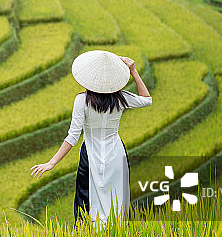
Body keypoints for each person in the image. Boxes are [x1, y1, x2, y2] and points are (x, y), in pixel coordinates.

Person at [30, 50, 152, 227]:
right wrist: (133, 71)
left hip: (91, 154)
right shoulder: (121, 98)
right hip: (116, 154)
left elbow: (73, 136)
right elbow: (147, 99)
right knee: (116, 198)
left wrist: (52, 162)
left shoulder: (82, 100)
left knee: (86, 199)